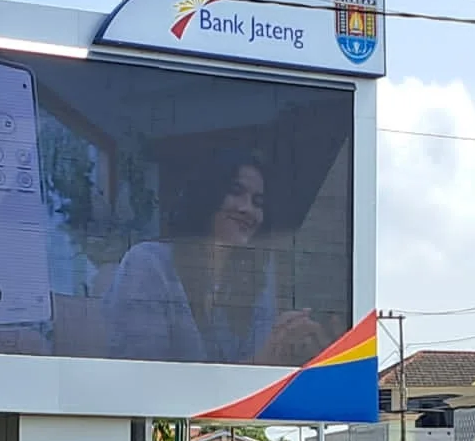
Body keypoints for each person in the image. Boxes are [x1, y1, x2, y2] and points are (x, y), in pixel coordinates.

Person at [101, 151, 330, 365]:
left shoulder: (256, 277)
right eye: (236, 191)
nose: (247, 209)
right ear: (207, 194)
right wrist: (266, 357)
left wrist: (286, 346)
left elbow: (257, 370)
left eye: (258, 202)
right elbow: (140, 376)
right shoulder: (147, 263)